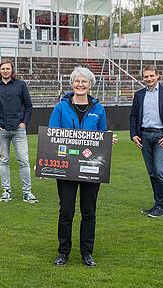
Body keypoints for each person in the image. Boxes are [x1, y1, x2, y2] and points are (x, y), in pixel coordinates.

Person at [48, 67, 116, 268]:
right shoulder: (60, 108)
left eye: (84, 81)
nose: (80, 84)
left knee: (89, 212)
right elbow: (52, 136)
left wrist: (108, 139)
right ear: (71, 83)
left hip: (91, 168)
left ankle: (87, 252)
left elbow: (102, 133)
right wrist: (46, 163)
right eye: (77, 81)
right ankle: (63, 252)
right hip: (67, 168)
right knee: (66, 211)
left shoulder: (98, 108)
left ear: (90, 84)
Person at [130, 65, 163, 218]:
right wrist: (133, 134)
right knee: (152, 173)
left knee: (159, 171)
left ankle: (161, 207)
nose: (149, 79)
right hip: (144, 136)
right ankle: (157, 205)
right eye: (146, 76)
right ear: (143, 78)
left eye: (152, 76)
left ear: (157, 76)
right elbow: (133, 116)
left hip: (161, 137)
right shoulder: (139, 95)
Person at [0, 59, 37, 203]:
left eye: (8, 69)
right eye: (3, 69)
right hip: (1, 129)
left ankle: (27, 192)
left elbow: (29, 106)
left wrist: (24, 123)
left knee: (24, 161)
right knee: (3, 161)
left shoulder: (21, 85)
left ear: (12, 71)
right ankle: (6, 191)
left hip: (18, 130)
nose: (5, 71)